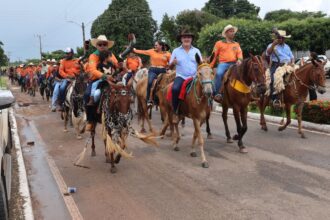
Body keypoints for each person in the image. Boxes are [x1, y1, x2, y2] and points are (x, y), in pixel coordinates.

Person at [85, 35, 118, 130]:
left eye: (104, 44)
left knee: (124, 91)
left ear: (107, 46)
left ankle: (123, 114)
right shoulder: (93, 56)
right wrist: (105, 76)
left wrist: (120, 66)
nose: (102, 46)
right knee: (87, 95)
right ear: (96, 46)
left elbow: (115, 64)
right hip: (97, 80)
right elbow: (92, 70)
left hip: (111, 79)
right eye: (100, 44)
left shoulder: (111, 54)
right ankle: (90, 120)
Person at [169, 29, 202, 122]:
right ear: (181, 39)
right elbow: (170, 67)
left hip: (194, 77)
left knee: (208, 87)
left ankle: (206, 110)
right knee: (175, 89)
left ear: (191, 39)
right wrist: (173, 63)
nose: (186, 39)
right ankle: (175, 112)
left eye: (189, 37)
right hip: (181, 76)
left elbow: (200, 64)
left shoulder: (196, 51)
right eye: (184, 37)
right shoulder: (176, 51)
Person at [210, 24, 243, 103]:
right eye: (231, 31)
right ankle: (216, 93)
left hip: (234, 64)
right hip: (223, 63)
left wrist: (240, 60)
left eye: (233, 31)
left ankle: (246, 93)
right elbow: (214, 55)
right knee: (218, 73)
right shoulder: (219, 43)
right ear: (226, 33)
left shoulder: (236, 44)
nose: (233, 33)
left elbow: (240, 54)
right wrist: (210, 66)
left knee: (244, 75)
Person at [133, 41, 171, 106]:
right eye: (155, 45)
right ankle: (148, 99)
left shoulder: (168, 54)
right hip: (153, 70)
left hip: (162, 70)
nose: (155, 46)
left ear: (161, 46)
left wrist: (169, 68)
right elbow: (143, 51)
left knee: (167, 84)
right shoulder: (152, 51)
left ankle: (165, 99)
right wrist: (135, 50)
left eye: (156, 45)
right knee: (150, 82)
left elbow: (171, 62)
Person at [266, 29, 294, 107]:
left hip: (288, 65)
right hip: (276, 65)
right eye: (279, 38)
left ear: (284, 38)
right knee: (273, 78)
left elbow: (292, 57)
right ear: (276, 38)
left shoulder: (287, 46)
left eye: (282, 38)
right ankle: (274, 99)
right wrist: (273, 44)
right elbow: (268, 54)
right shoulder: (271, 45)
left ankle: (297, 95)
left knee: (300, 75)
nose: (281, 39)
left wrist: (292, 63)